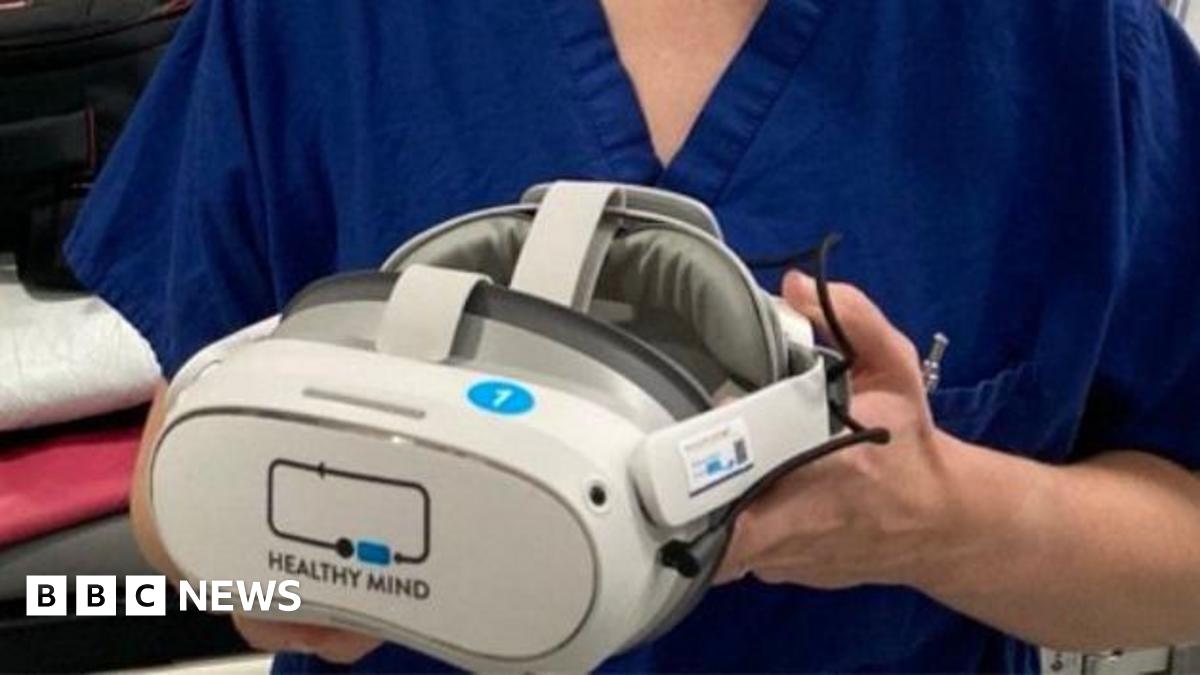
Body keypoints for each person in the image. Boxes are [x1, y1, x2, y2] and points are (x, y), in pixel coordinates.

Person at [64, 0, 1200, 672]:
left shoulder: (1070, 47)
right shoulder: (322, 25)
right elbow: (178, 470)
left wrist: (945, 520)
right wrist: (284, 570)